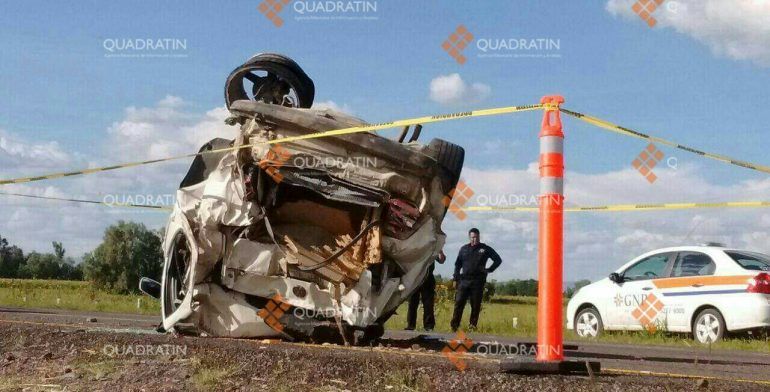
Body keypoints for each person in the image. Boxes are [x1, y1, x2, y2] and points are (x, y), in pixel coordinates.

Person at [450, 228, 502, 332]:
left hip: (478, 281)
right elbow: (457, 264)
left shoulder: (485, 248)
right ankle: (454, 327)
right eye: (473, 237)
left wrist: (489, 269)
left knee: (475, 305)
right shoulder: (463, 249)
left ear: (479, 237)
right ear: (469, 237)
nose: (475, 239)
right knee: (459, 303)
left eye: (476, 237)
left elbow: (498, 259)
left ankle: (472, 327)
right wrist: (456, 278)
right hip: (464, 281)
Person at [405, 250, 445, 331]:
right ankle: (410, 326)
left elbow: (441, 260)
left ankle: (428, 326)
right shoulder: (415, 248)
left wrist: (440, 251)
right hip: (415, 278)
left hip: (427, 278)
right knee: (412, 303)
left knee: (428, 304)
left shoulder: (432, 248)